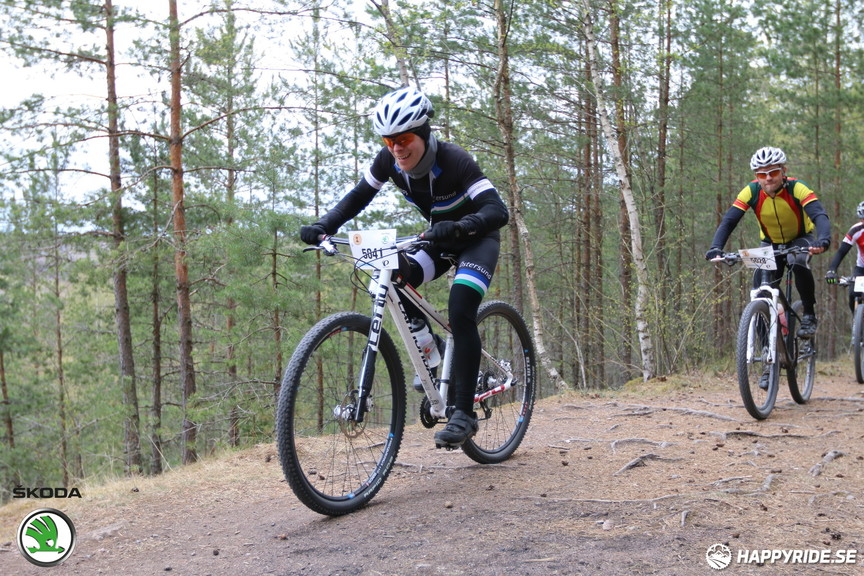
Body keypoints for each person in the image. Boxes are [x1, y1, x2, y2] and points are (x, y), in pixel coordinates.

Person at [299, 86, 509, 448]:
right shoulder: (388, 161)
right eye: (389, 139)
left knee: (461, 308)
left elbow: (497, 211)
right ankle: (433, 352)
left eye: (405, 138)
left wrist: (462, 226)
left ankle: (463, 413)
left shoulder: (456, 161)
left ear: (424, 134)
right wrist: (324, 226)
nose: (397, 147)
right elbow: (358, 197)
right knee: (395, 277)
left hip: (477, 240)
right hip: (438, 241)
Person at [705, 146, 831, 338]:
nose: (768, 178)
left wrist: (823, 240)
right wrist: (716, 247)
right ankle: (767, 353)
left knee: (798, 262)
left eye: (773, 172)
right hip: (769, 244)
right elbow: (729, 220)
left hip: (800, 239)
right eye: (762, 174)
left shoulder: (798, 187)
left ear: (783, 171)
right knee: (758, 293)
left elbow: (819, 215)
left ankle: (809, 314)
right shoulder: (751, 190)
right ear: (757, 175)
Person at [824, 201, 864, 313]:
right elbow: (841, 252)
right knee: (853, 293)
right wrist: (831, 270)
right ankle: (857, 324)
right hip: (861, 268)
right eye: (862, 219)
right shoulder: (856, 230)